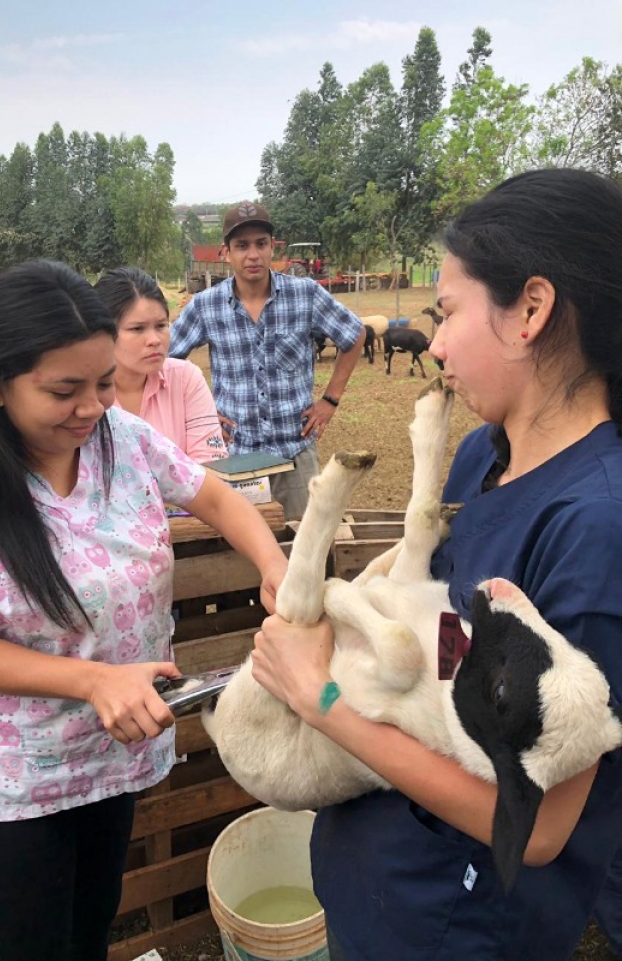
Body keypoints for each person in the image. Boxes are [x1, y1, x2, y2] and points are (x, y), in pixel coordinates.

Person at [250, 169, 622, 960]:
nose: (436, 342)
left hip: (457, 925)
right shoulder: (485, 455)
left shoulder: (596, 528)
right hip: (383, 881)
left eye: (446, 312)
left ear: (529, 309)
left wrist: (319, 699)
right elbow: (451, 650)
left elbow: (542, 826)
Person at [0, 260, 288, 961]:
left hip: (110, 764)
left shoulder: (126, 442)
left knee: (88, 938)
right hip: (16, 788)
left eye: (105, 382)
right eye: (64, 390)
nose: (93, 406)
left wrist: (274, 566)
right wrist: (93, 680)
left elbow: (219, 496)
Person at [169, 200, 366, 520]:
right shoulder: (206, 306)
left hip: (295, 455)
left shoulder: (305, 295)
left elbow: (354, 334)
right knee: (241, 556)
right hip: (235, 462)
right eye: (242, 245)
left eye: (261, 244)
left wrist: (331, 399)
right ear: (226, 253)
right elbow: (162, 361)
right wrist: (199, 417)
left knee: (305, 548)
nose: (253, 254)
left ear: (272, 248)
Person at [94, 267, 226, 463]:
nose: (155, 340)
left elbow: (210, 463)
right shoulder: (84, 394)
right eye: (137, 329)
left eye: (161, 326)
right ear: (103, 332)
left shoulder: (185, 378)